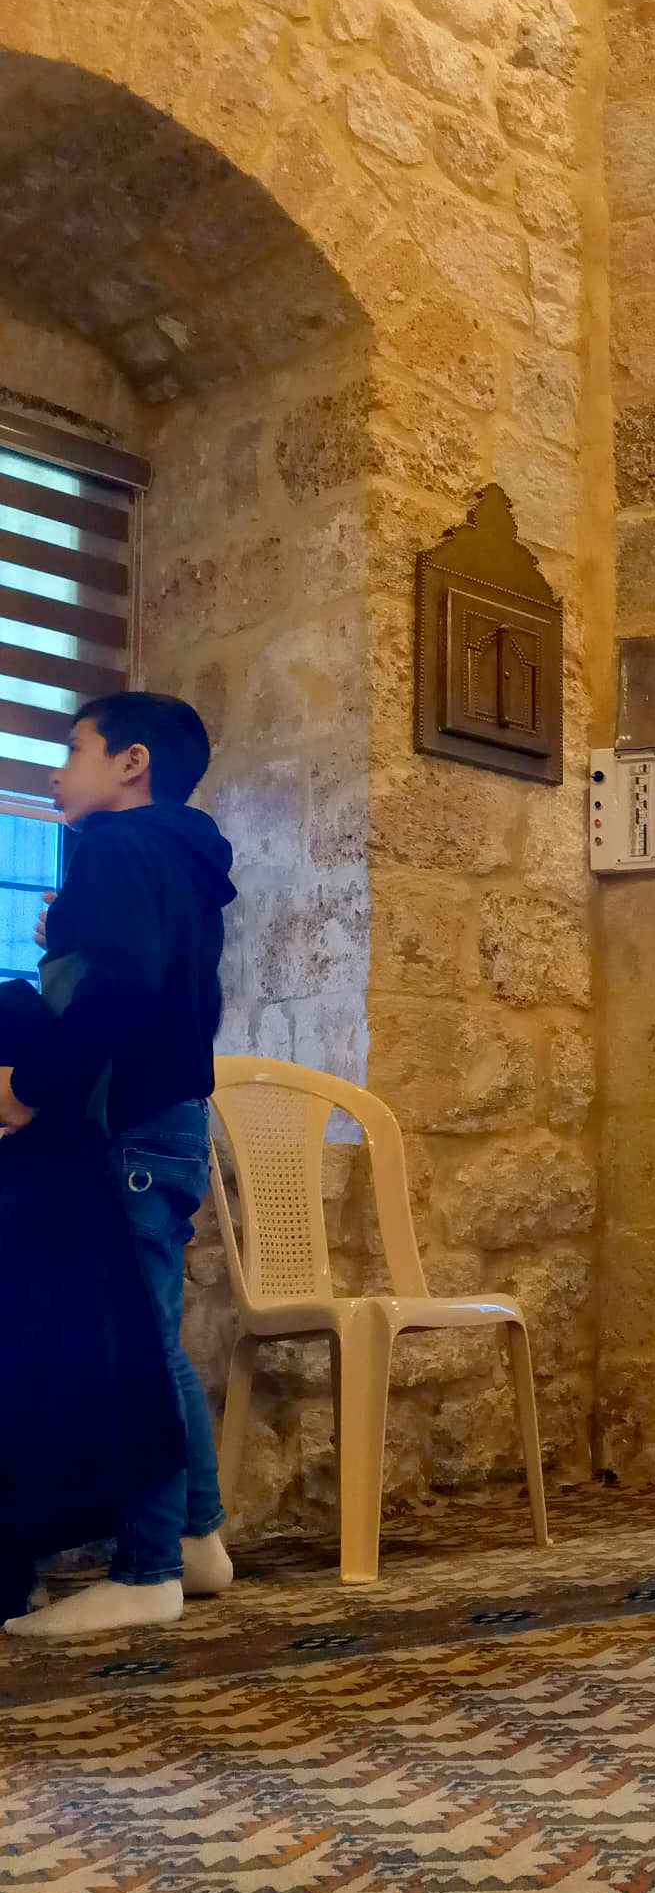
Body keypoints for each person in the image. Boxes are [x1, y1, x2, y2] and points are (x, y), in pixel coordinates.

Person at [0, 692, 237, 1638]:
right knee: (159, 1338)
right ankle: (195, 1538)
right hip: (172, 1119)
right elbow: (155, 979)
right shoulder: (183, 854)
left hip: (131, 1124)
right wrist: (70, 938)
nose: (56, 772)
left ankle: (146, 1573)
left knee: (138, 1345)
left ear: (132, 762)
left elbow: (123, 990)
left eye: (74, 750)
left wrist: (30, 1088)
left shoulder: (112, 845)